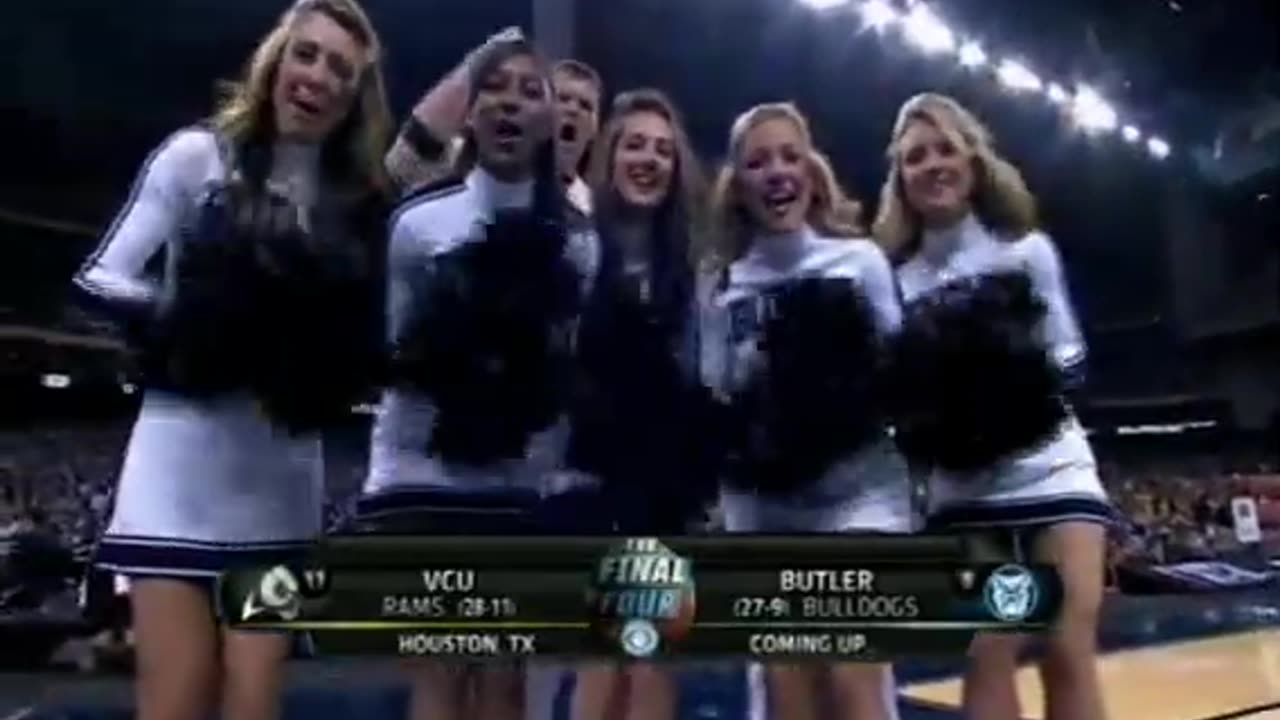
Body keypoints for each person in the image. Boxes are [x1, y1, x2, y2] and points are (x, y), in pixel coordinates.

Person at [71, 1, 391, 718]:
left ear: (355, 96)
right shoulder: (196, 157)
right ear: (277, 59)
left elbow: (367, 340)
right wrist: (190, 324)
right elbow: (100, 278)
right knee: (178, 701)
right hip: (175, 478)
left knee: (253, 705)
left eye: (340, 68)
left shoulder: (354, 205)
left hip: (279, 487)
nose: (318, 75)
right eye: (306, 54)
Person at [358, 35, 599, 720]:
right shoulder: (416, 222)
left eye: (531, 91)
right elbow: (394, 352)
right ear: (469, 112)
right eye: (496, 87)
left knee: (504, 685)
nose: (511, 103)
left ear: (552, 124)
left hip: (520, 483)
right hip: (420, 478)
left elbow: (569, 365)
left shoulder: (580, 239)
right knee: (437, 677)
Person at [874, 92, 1111, 720]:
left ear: (973, 162)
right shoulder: (893, 279)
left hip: (1051, 469)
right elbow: (888, 396)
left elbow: (1071, 354)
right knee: (986, 650)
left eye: (945, 149)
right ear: (901, 178)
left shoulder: (1025, 250)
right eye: (915, 157)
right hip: (963, 493)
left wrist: (1017, 385)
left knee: (1067, 649)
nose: (933, 166)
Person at [702, 102, 910, 720]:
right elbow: (712, 394)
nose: (776, 171)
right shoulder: (718, 284)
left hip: (859, 492)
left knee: (853, 671)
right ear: (737, 184)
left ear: (813, 172)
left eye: (790, 156)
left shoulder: (859, 262)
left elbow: (900, 374)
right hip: (764, 507)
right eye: (757, 161)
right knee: (789, 690)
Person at [565, 89, 716, 720]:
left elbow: (703, 380)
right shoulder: (575, 245)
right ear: (610, 157)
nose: (649, 159)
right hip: (587, 480)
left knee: (654, 658)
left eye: (662, 149)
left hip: (667, 489)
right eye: (634, 145)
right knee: (600, 656)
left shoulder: (693, 267)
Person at [385, 31, 602, 216]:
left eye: (585, 105)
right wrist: (481, 60)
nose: (572, 110)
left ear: (595, 127)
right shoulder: (460, 165)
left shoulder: (590, 212)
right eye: (562, 98)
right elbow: (403, 163)